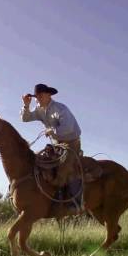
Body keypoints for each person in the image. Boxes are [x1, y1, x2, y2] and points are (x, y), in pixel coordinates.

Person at [20, 83, 83, 211]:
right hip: (57, 144)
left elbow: (68, 128)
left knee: (65, 166)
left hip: (71, 142)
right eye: (36, 97)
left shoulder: (61, 109)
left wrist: (52, 130)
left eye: (40, 96)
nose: (37, 99)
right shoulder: (39, 109)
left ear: (49, 95)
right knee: (41, 162)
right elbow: (25, 118)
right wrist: (26, 105)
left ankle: (77, 203)